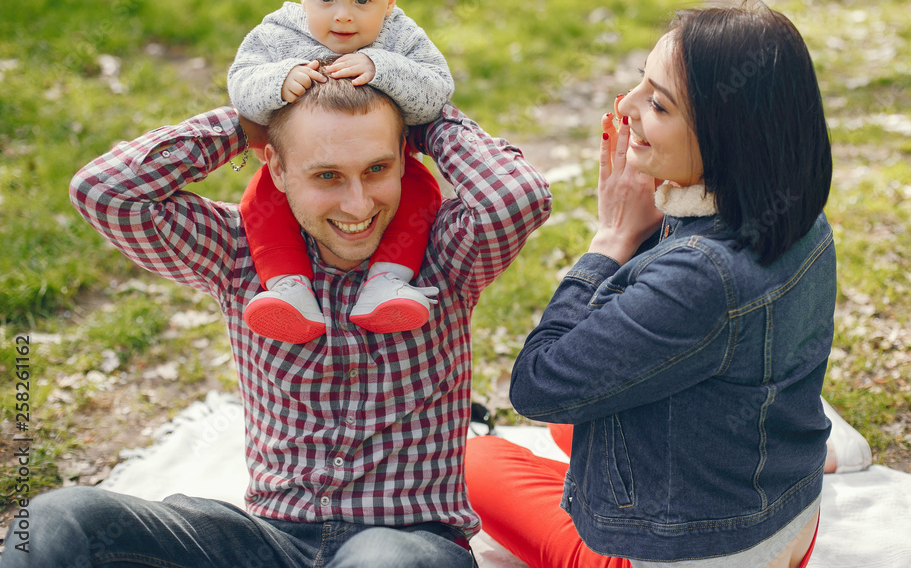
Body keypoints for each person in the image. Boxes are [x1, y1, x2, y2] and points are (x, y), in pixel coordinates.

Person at [5, 76, 550, 566]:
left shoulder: (446, 252)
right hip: (269, 539)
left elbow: (518, 197)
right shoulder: (238, 250)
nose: (358, 204)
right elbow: (105, 192)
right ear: (279, 171)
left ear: (404, 159)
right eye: (328, 175)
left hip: (409, 542)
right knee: (56, 523)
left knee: (379, 559)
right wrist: (246, 122)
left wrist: (427, 117)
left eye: (377, 168)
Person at [466, 0, 848, 567]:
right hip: (789, 515)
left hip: (698, 552)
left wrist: (612, 240)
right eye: (640, 84)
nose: (627, 108)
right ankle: (829, 448)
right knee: (579, 435)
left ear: (725, 138)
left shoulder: (700, 274)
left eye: (659, 105)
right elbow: (676, 326)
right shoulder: (796, 213)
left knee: (475, 460)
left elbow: (539, 385)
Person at [229, 0, 454, 343]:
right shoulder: (280, 32)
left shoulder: (399, 36)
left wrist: (382, 67)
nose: (343, 16)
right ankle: (288, 288)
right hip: (303, 165)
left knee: (422, 191)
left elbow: (437, 88)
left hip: (385, 162)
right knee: (262, 200)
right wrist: (279, 78)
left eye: (363, 1)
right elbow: (240, 82)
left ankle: (387, 282)